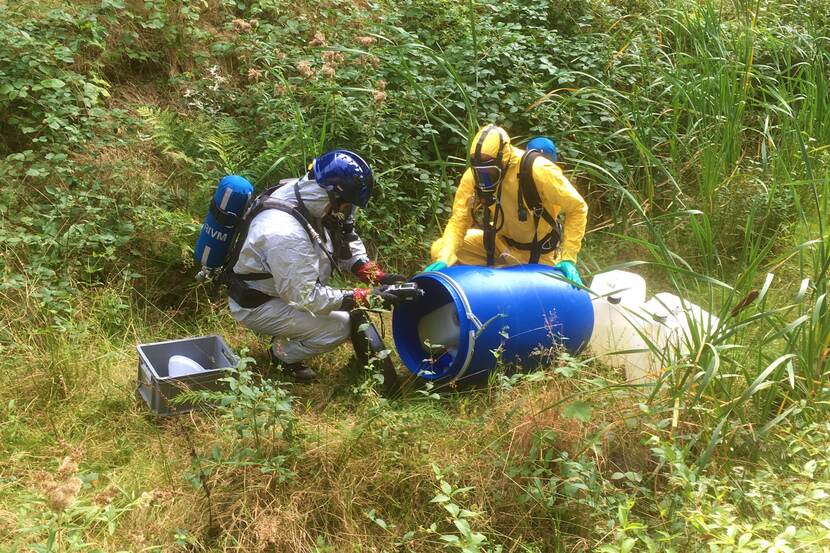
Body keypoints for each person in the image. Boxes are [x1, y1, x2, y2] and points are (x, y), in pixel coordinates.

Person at [224, 149, 411, 384]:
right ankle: (281, 355)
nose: (346, 212)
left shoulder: (307, 197)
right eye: (345, 206)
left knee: (343, 310)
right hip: (259, 303)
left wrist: (377, 277)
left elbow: (345, 240)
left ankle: (291, 334)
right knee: (340, 326)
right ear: (331, 195)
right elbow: (306, 297)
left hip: (282, 288)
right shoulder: (284, 232)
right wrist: (368, 297)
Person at [424, 125, 587, 285]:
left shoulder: (538, 169)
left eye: (489, 173)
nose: (484, 180)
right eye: (480, 173)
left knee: (539, 299)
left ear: (503, 159)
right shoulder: (474, 175)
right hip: (498, 244)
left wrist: (568, 258)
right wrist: (445, 258)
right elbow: (460, 219)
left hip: (537, 252)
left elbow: (577, 208)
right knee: (440, 249)